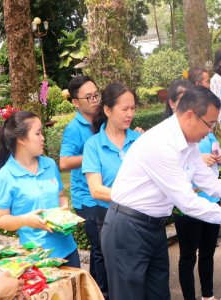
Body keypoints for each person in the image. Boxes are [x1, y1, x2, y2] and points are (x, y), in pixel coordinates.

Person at [101, 86, 221, 300]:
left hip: (153, 227)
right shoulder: (161, 144)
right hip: (127, 229)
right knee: (129, 295)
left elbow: (210, 184)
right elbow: (187, 202)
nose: (211, 130)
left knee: (159, 294)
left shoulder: (188, 143)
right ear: (189, 115)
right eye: (209, 124)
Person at [164, 83, 221, 300]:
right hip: (187, 206)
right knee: (188, 256)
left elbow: (215, 154)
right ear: (173, 105)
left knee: (207, 252)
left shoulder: (197, 135)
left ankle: (207, 296)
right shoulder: (167, 139)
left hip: (210, 198)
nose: (209, 130)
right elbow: (180, 188)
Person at [0, 110, 80, 266]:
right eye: (38, 133)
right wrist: (25, 220)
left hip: (68, 250)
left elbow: (60, 196)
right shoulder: (4, 177)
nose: (43, 138)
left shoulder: (50, 164)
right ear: (21, 139)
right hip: (38, 258)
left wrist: (63, 208)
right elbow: (0, 218)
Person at [82, 82, 143, 299]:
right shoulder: (93, 145)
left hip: (141, 219)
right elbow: (96, 190)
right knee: (119, 280)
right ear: (107, 110)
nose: (130, 114)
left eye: (133, 108)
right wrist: (134, 196)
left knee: (142, 278)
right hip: (110, 218)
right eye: (124, 109)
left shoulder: (140, 141)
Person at [59, 76, 103, 288]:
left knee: (101, 250)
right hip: (87, 198)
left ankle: (93, 289)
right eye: (89, 97)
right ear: (76, 102)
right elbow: (64, 162)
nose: (95, 100)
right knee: (100, 249)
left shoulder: (103, 119)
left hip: (104, 192)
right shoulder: (74, 128)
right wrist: (94, 156)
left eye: (97, 95)